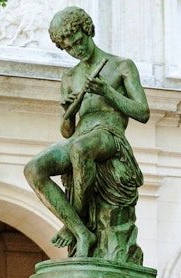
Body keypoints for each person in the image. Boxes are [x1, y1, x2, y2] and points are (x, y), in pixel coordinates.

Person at [24, 7, 149, 260]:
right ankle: (81, 231)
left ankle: (75, 220)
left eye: (79, 42)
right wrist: (68, 112)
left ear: (88, 30)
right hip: (81, 135)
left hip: (110, 135)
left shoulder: (121, 66)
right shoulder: (70, 77)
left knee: (80, 150)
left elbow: (142, 112)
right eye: (69, 48)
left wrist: (107, 92)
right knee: (33, 169)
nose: (76, 50)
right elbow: (67, 132)